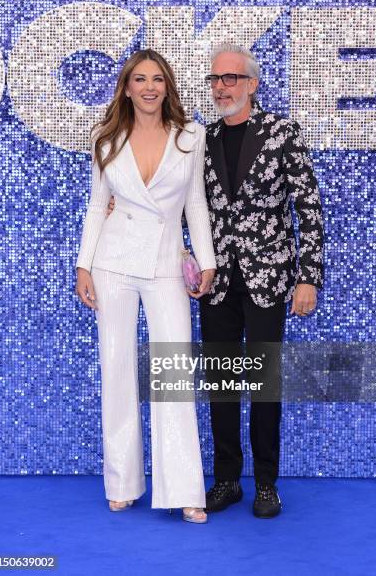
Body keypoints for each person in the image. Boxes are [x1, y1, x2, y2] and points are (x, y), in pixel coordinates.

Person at [75, 48, 216, 524]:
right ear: (128, 87)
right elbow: (98, 206)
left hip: (165, 265)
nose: (150, 87)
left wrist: (208, 261)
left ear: (167, 86)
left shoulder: (190, 136)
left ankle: (185, 488)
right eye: (141, 79)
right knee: (116, 369)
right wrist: (83, 266)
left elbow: (195, 203)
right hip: (112, 263)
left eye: (158, 78)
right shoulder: (105, 136)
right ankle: (121, 482)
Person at [200, 43, 324, 517]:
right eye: (215, 79)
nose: (220, 87)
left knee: (264, 382)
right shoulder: (201, 139)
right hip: (217, 284)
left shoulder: (282, 133)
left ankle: (267, 484)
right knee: (223, 382)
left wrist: (308, 277)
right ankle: (227, 479)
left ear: (252, 84)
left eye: (229, 78)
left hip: (270, 280)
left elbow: (307, 206)